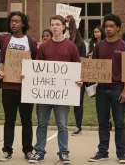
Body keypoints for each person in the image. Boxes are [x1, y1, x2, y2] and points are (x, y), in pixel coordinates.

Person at [28, 15, 83, 164]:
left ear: (64, 27)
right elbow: (37, 68)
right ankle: (39, 152)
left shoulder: (70, 46)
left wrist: (79, 80)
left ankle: (64, 152)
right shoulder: (44, 46)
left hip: (63, 94)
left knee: (62, 125)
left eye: (58, 24)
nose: (54, 27)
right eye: (52, 24)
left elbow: (77, 67)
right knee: (42, 124)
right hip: (44, 93)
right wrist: (27, 76)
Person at [0, 11, 38, 162]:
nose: (13, 23)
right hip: (8, 86)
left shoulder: (31, 42)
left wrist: (29, 74)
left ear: (23, 23)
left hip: (25, 87)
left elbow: (36, 63)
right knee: (9, 120)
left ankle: (28, 150)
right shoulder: (5, 39)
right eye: (11, 21)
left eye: (17, 21)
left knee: (27, 121)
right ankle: (7, 150)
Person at [89, 14, 125, 164]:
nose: (108, 28)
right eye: (106, 26)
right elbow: (94, 67)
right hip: (101, 89)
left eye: (111, 26)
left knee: (119, 122)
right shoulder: (99, 46)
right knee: (103, 122)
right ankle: (102, 152)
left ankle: (121, 153)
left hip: (118, 88)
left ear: (118, 28)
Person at [68, 28, 86, 136]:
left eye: (73, 33)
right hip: (66, 76)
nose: (71, 35)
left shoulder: (81, 44)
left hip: (78, 77)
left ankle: (78, 125)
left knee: (78, 102)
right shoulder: (64, 43)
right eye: (69, 33)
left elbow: (82, 60)